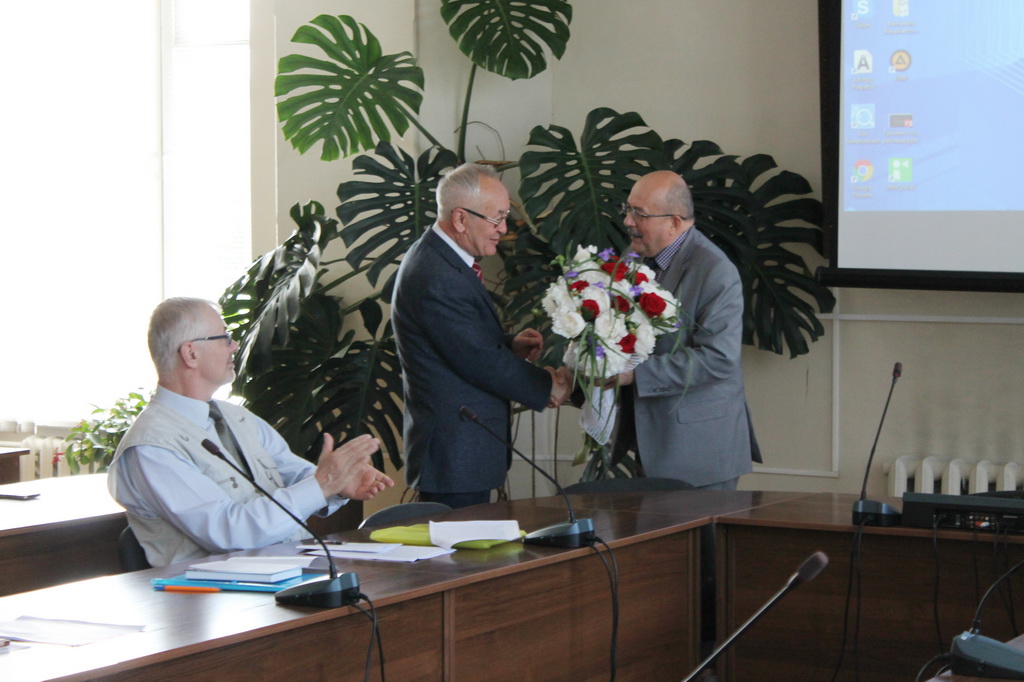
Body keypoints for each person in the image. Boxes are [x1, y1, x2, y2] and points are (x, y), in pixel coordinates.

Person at [108, 297, 394, 567]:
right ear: (191, 353)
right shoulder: (151, 447)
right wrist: (322, 484)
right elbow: (229, 532)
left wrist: (339, 483)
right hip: (213, 595)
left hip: (289, 571)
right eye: (224, 337)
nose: (234, 346)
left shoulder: (237, 417)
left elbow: (292, 473)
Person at [392, 163, 572, 509]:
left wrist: (509, 344)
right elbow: (481, 361)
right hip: (454, 453)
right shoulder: (437, 274)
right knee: (463, 544)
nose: (503, 228)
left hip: (462, 451)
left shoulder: (440, 258)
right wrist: (549, 386)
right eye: (496, 218)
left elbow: (457, 341)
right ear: (461, 219)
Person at [610, 170, 761, 490]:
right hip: (648, 439)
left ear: (674, 222)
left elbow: (718, 359)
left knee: (699, 528)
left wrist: (634, 374)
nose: (627, 221)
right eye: (627, 209)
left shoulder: (715, 270)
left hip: (699, 449)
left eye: (639, 213)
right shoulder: (633, 255)